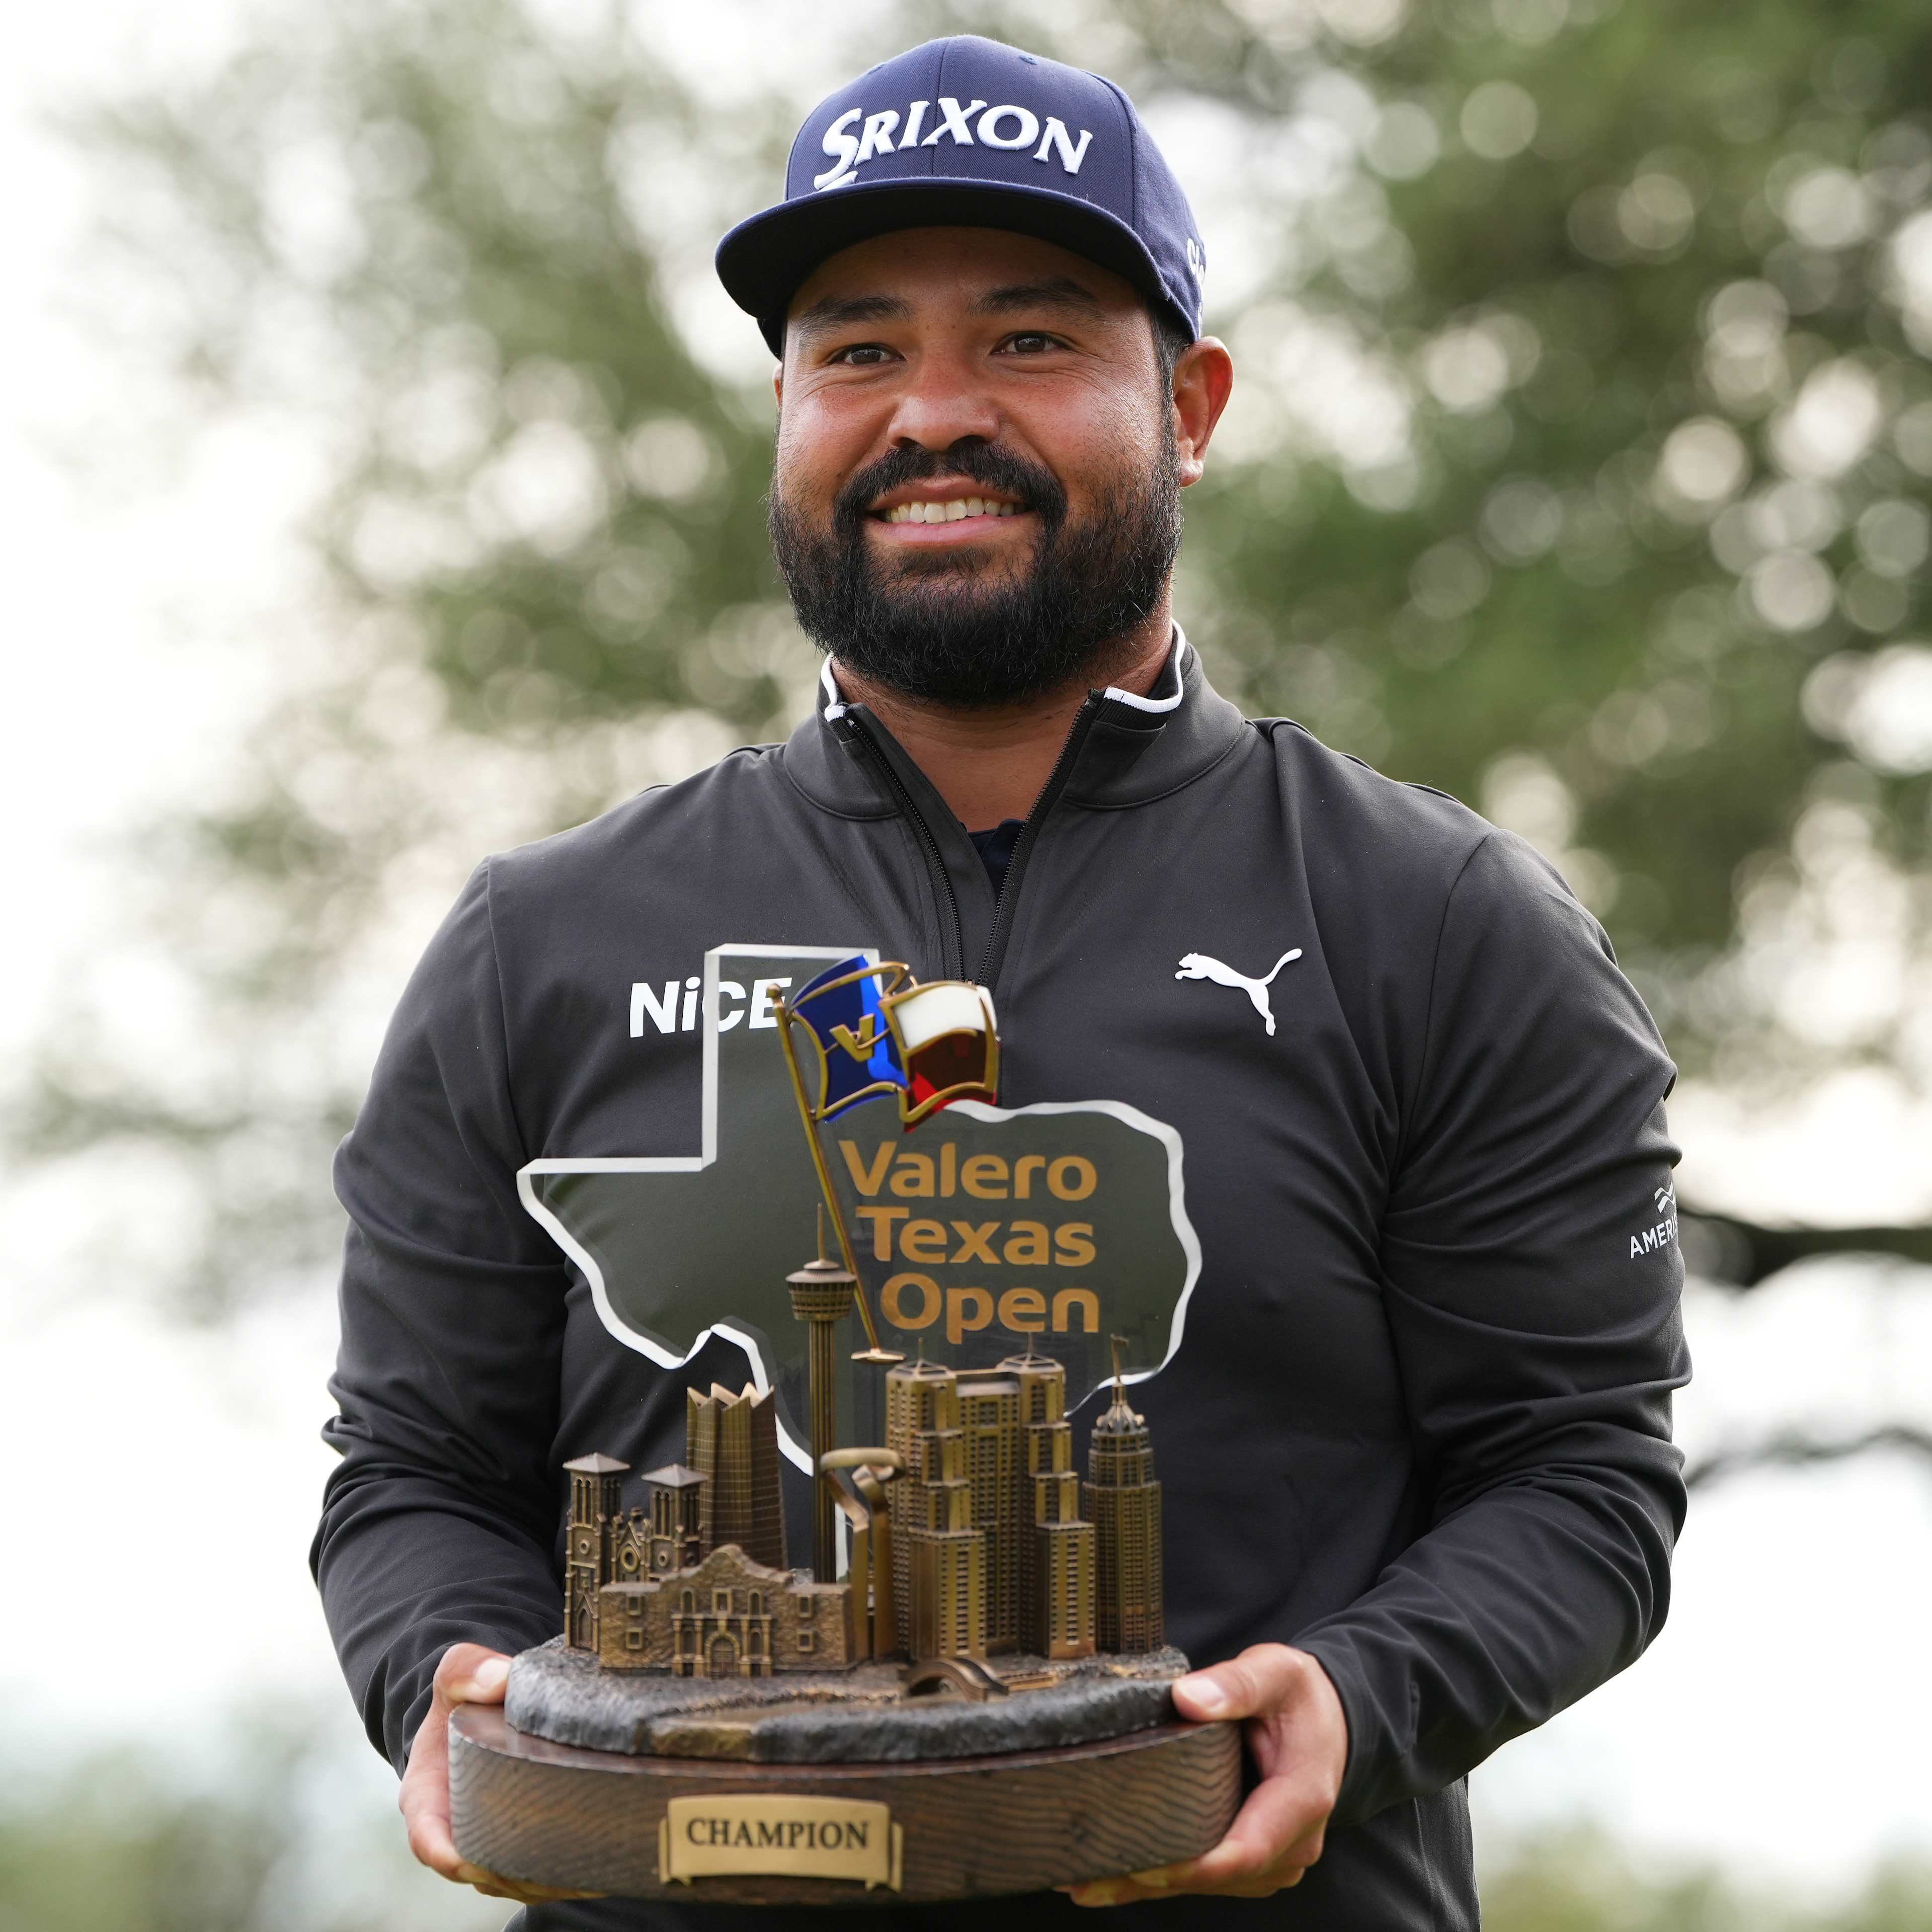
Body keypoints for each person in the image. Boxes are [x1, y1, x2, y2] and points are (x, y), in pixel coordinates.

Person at [314, 34, 1689, 1931]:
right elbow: (408, 1473)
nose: (932, 413)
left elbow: (1582, 1473)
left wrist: (1361, 1698)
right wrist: (447, 1678)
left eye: (1030, 340)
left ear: (1189, 405)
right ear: (787, 412)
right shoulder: (540, 941)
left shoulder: (1442, 924)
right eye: (857, 350)